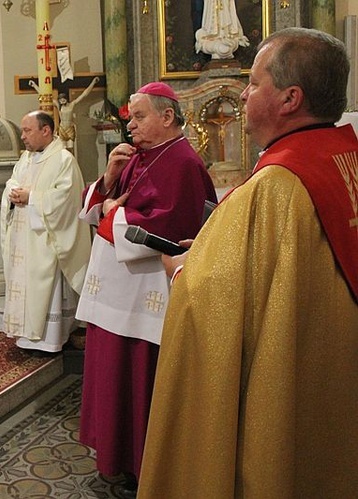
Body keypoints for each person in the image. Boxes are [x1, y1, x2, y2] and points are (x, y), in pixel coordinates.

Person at [139, 28, 358, 498]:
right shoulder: (345, 159)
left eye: (255, 83)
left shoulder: (275, 186)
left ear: (289, 99)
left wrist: (179, 269)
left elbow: (208, 299)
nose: (243, 94)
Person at [76, 82, 217, 494]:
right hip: (115, 293)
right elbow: (99, 206)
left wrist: (110, 214)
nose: (130, 126)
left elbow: (168, 226)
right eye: (129, 118)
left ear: (167, 116)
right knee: (109, 376)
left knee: (136, 381)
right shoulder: (139, 157)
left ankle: (143, 470)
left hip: (145, 296)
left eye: (138, 117)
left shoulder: (184, 163)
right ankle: (114, 459)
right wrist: (109, 178)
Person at [0, 110, 91, 353]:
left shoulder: (63, 160)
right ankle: (25, 336)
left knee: (46, 286)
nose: (22, 136)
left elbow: (67, 199)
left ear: (46, 130)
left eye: (27, 130)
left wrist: (32, 198)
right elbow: (12, 181)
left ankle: (50, 340)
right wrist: (12, 192)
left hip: (46, 238)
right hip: (23, 237)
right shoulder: (26, 159)